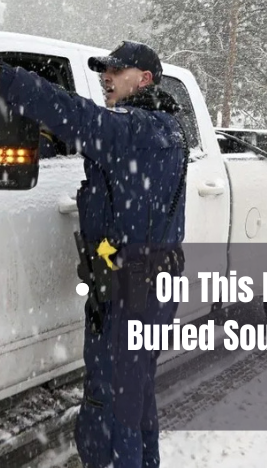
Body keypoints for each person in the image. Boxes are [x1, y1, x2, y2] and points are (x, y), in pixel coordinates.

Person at [0, 41, 187, 468]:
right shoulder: (142, 132)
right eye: (104, 69)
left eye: (116, 70)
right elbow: (81, 138)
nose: (106, 76)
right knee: (131, 396)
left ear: (144, 79)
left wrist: (11, 79)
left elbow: (80, 117)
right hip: (126, 285)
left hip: (134, 291)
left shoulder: (145, 131)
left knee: (115, 399)